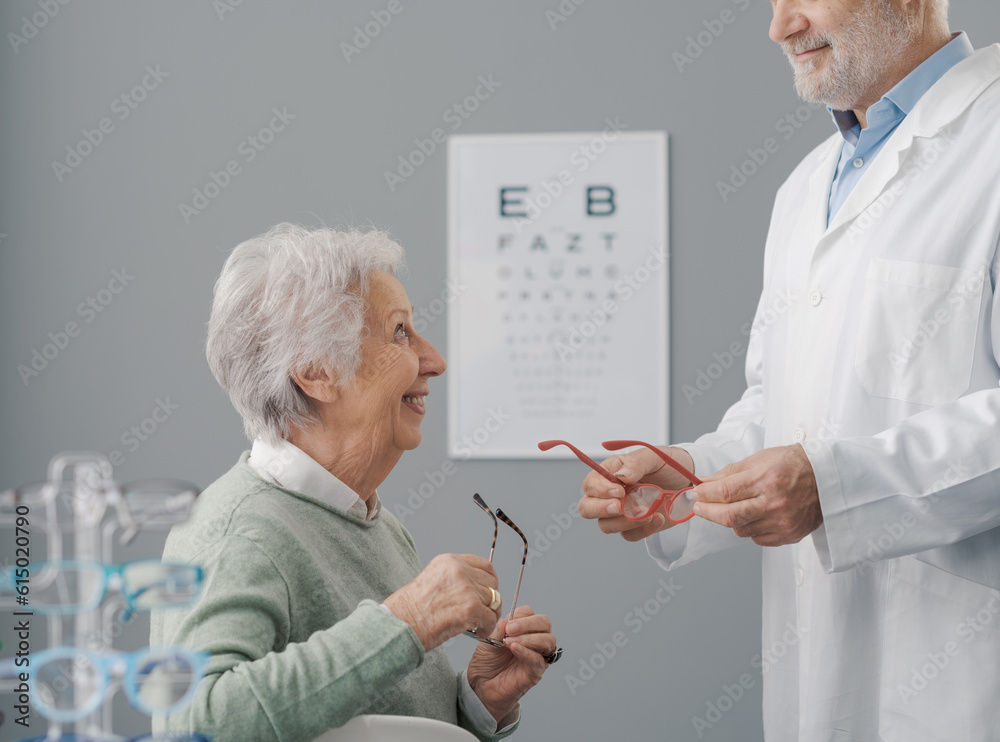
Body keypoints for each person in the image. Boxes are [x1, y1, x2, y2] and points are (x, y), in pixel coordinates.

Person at [579, 1, 1000, 739]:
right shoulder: (806, 189)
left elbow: (829, 462)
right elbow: (781, 405)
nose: (780, 27)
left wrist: (836, 487)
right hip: (818, 678)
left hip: (961, 684)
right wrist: (690, 474)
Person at [151, 223, 558, 742]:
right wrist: (410, 619)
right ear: (317, 370)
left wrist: (477, 704)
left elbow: (366, 718)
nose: (434, 361)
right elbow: (195, 726)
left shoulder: (377, 526)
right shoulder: (235, 531)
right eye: (400, 332)